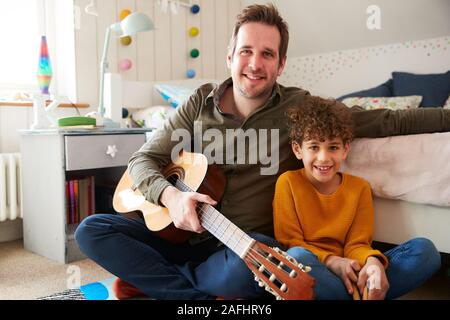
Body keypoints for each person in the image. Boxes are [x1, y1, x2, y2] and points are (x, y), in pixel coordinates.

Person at [75, 4, 449, 300]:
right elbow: (143, 160)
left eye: (267, 54)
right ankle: (196, 294)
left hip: (243, 250)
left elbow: (384, 121)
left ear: (281, 64)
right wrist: (171, 197)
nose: (255, 64)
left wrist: (444, 117)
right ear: (230, 56)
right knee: (92, 230)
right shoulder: (197, 104)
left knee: (273, 266)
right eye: (246, 51)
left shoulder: (299, 109)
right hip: (177, 236)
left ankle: (160, 284)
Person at [273, 97, 441, 300]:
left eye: (333, 147)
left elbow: (357, 244)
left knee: (426, 251)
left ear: (346, 149)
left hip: (353, 269)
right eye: (314, 147)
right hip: (315, 269)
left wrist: (372, 262)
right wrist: (333, 262)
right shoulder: (288, 183)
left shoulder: (359, 188)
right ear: (298, 149)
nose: (324, 157)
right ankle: (360, 295)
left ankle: (356, 292)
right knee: (297, 258)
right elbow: (290, 243)